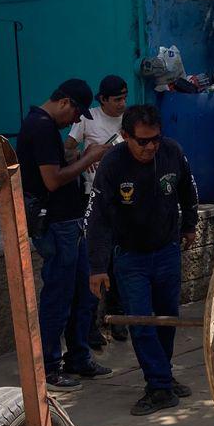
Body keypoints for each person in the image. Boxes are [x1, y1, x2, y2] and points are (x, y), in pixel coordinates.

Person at [86, 105, 199, 415]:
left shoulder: (172, 153)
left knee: (166, 319)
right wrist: (97, 267)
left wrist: (189, 225)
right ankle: (160, 386)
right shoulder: (112, 165)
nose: (150, 147)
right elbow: (97, 220)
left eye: (155, 140)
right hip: (130, 258)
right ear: (125, 137)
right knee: (141, 323)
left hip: (166, 252)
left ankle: (161, 378)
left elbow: (189, 190)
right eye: (143, 141)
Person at [18, 79, 113, 390]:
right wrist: (90, 158)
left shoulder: (42, 126)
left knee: (83, 291)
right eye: (75, 115)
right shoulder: (42, 127)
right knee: (58, 296)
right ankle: (48, 367)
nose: (74, 122)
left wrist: (75, 158)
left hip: (69, 222)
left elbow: (56, 167)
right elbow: (52, 181)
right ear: (65, 103)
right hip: (56, 224)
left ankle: (78, 356)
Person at [68, 75, 130, 346]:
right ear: (103, 99)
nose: (122, 104)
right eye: (117, 99)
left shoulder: (129, 121)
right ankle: (91, 326)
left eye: (125, 98)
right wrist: (86, 158)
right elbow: (68, 150)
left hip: (124, 198)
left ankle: (117, 318)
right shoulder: (87, 119)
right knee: (95, 261)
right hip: (93, 199)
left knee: (119, 262)